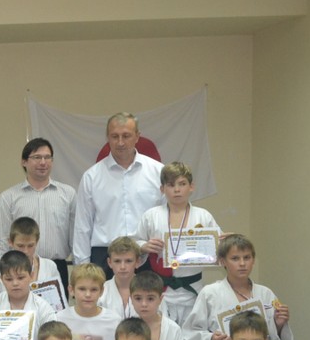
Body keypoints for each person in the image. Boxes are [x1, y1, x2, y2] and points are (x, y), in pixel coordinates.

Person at [73, 112, 164, 278]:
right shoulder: (92, 177)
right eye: (115, 136)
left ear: (137, 136)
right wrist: (82, 268)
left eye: (126, 136)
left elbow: (168, 218)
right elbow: (82, 226)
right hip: (104, 257)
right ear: (107, 137)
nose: (120, 142)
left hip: (147, 256)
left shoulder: (158, 172)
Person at [136, 161, 222, 325]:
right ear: (162, 189)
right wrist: (144, 246)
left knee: (193, 333)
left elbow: (219, 248)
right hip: (161, 291)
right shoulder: (151, 216)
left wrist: (224, 243)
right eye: (170, 185)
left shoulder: (203, 216)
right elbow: (135, 242)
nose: (177, 190)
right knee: (162, 334)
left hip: (193, 289)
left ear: (191, 187)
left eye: (182, 184)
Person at [0, 138, 77, 292]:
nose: (43, 162)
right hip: (19, 270)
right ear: (24, 162)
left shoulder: (68, 194)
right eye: (37, 157)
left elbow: (75, 237)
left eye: (47, 157)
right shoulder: (9, 197)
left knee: (56, 309)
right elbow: (1, 239)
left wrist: (79, 270)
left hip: (57, 267)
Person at [55, 263, 121, 340]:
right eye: (82, 289)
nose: (88, 295)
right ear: (71, 290)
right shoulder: (59, 319)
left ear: (102, 291)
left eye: (94, 289)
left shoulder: (114, 321)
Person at [0, 217, 60, 298]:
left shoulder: (50, 267)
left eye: (30, 245)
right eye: (20, 246)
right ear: (10, 242)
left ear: (37, 241)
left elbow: (58, 301)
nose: (26, 251)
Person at [98, 237, 144, 319]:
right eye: (117, 261)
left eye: (128, 261)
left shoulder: (150, 290)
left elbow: (160, 322)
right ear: (109, 262)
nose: (122, 267)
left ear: (138, 262)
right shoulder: (101, 292)